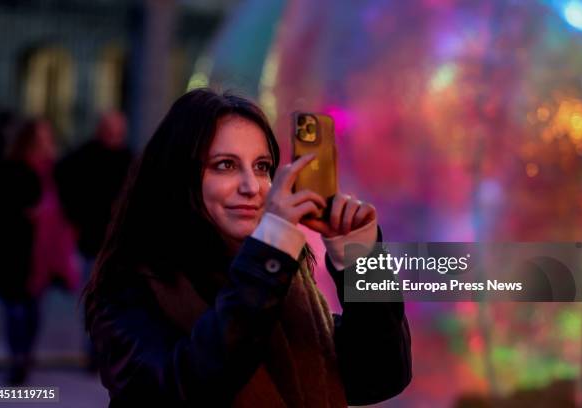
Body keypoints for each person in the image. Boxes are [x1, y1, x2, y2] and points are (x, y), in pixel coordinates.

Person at [83, 89, 411, 407]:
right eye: (225, 165)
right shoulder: (129, 287)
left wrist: (359, 258)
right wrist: (270, 253)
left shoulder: (284, 287)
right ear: (179, 175)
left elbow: (378, 376)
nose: (251, 187)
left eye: (262, 167)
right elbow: (185, 386)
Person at [0, 119, 79, 385]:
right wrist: (26, 213)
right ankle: (18, 358)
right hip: (14, 249)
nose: (45, 142)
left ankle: (25, 355)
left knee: (33, 308)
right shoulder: (11, 169)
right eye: (40, 137)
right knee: (16, 307)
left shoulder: (53, 171)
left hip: (42, 253)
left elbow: (67, 202)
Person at [55, 111, 132, 370]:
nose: (115, 135)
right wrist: (76, 215)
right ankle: (94, 351)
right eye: (111, 129)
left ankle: (104, 350)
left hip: (120, 246)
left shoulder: (128, 159)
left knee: (116, 303)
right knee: (94, 300)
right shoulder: (85, 156)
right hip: (92, 241)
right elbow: (64, 178)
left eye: (118, 130)